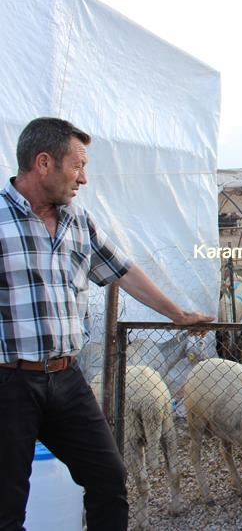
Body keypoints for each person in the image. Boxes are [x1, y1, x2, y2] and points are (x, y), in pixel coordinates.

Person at [0, 117, 214, 530]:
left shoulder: (78, 221)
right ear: (43, 163)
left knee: (108, 477)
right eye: (77, 165)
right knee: (7, 502)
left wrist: (177, 314)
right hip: (10, 383)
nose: (84, 178)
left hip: (66, 378)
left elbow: (123, 271)